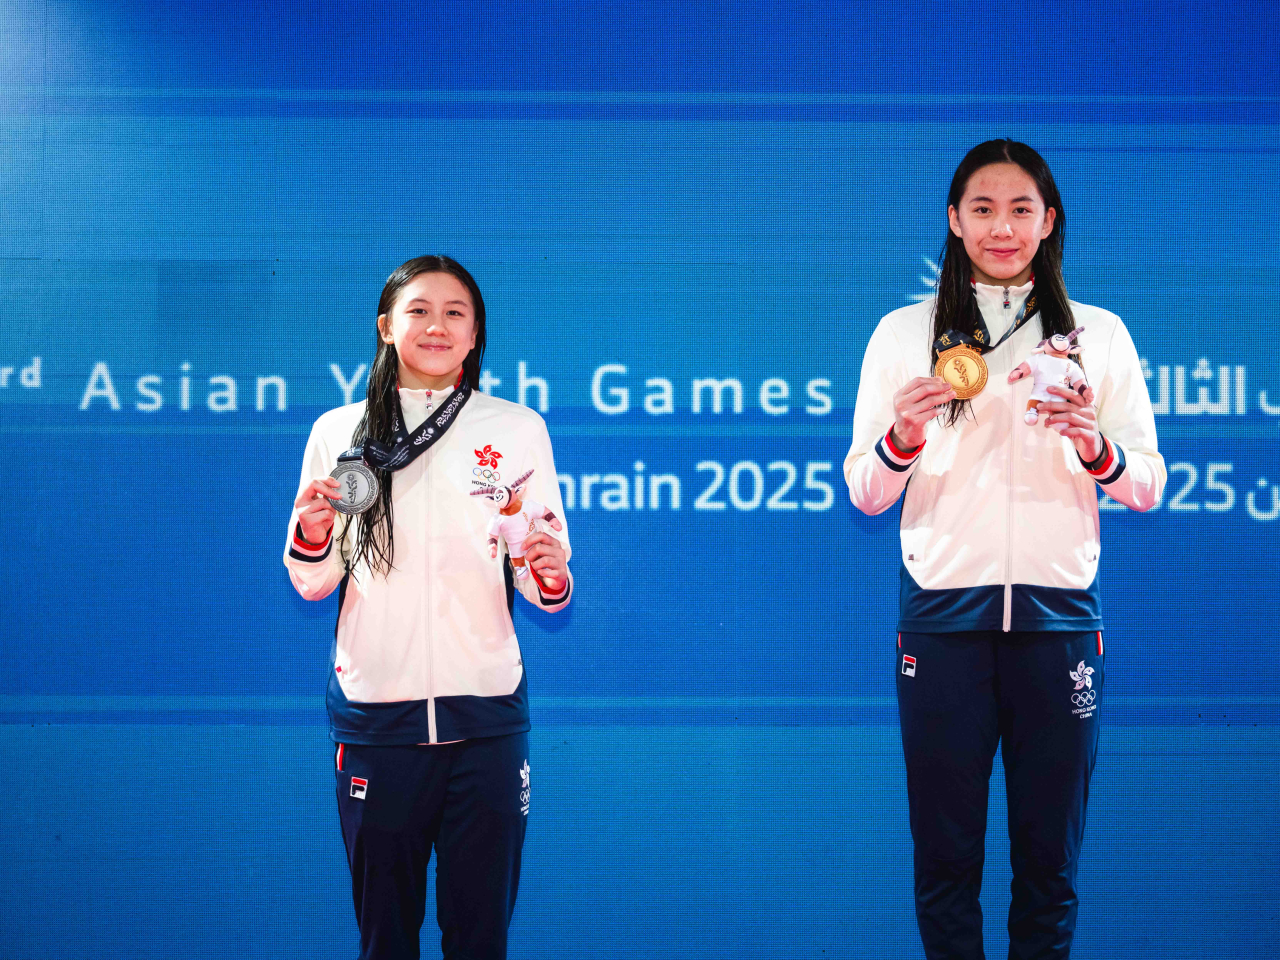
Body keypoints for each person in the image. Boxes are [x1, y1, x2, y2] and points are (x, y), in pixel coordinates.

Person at [843, 140, 1164, 959]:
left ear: (1049, 221)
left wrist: (1097, 449)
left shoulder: (1100, 334)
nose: (1002, 226)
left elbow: (1147, 484)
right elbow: (866, 492)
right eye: (982, 209)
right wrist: (903, 436)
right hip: (942, 625)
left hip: (1060, 626)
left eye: (1021, 209)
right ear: (954, 222)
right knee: (946, 863)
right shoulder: (902, 334)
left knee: (1049, 866)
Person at [284, 255, 572, 960]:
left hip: (488, 718)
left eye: (455, 313)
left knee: (480, 939)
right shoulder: (340, 432)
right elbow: (312, 581)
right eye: (418, 310)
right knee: (386, 938)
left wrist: (549, 569)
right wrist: (314, 535)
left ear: (475, 335)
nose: (436, 325)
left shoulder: (516, 427)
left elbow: (546, 582)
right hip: (377, 718)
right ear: (386, 327)